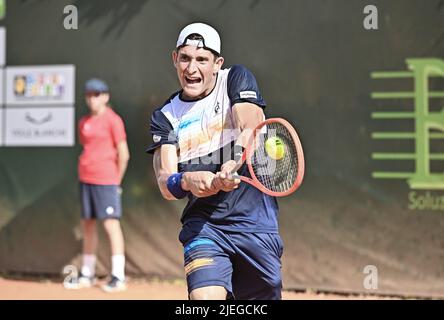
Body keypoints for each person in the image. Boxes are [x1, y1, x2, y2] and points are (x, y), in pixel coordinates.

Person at [146, 23, 283, 300]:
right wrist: (185, 180)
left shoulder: (236, 79)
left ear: (217, 63)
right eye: (184, 58)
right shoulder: (166, 117)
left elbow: (252, 126)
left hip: (255, 222)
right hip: (204, 225)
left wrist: (232, 163)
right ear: (175, 59)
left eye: (201, 60)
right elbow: (165, 181)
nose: (191, 68)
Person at [65, 78, 130, 293]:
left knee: (111, 225)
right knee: (88, 225)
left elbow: (124, 154)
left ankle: (118, 276)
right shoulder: (83, 122)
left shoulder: (113, 120)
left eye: (97, 94)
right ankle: (87, 273)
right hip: (86, 179)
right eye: (89, 95)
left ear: (105, 96)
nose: (92, 99)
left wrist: (116, 182)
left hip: (107, 181)